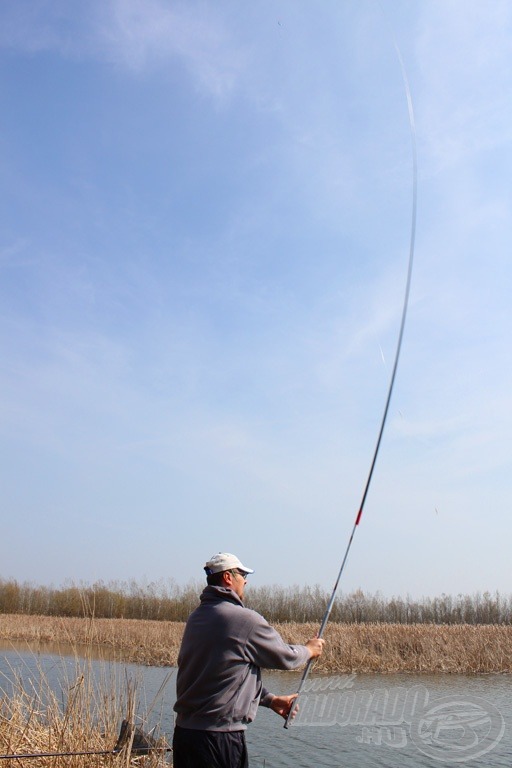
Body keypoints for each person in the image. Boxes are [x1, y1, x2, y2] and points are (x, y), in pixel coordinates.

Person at [172, 552, 325, 768]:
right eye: (242, 574)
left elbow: (223, 675)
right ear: (228, 577)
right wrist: (309, 650)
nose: (245, 580)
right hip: (219, 740)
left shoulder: (197, 617)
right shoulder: (244, 620)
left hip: (185, 737)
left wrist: (270, 700)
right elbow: (285, 657)